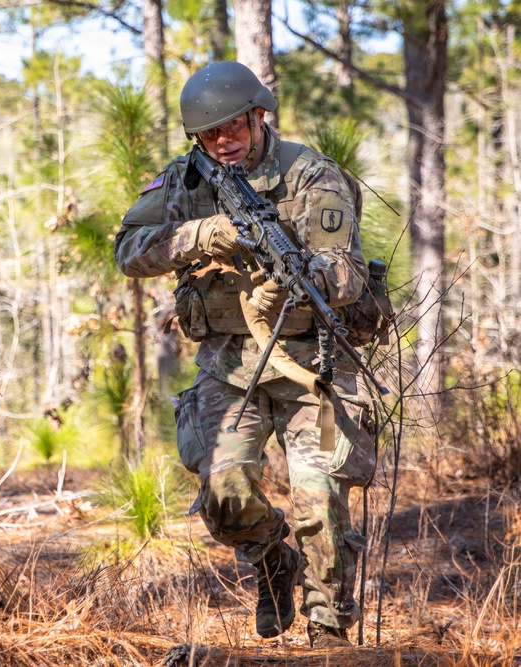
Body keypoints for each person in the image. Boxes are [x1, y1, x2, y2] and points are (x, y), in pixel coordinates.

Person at [114, 61, 380, 649]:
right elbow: (128, 249)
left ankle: (330, 638)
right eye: (211, 134)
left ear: (261, 116)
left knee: (321, 504)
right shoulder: (183, 181)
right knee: (224, 495)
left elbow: (347, 271)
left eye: (235, 125)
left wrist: (305, 272)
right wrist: (202, 235)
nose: (225, 140)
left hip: (311, 361)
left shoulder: (312, 176)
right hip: (227, 364)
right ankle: (270, 561)